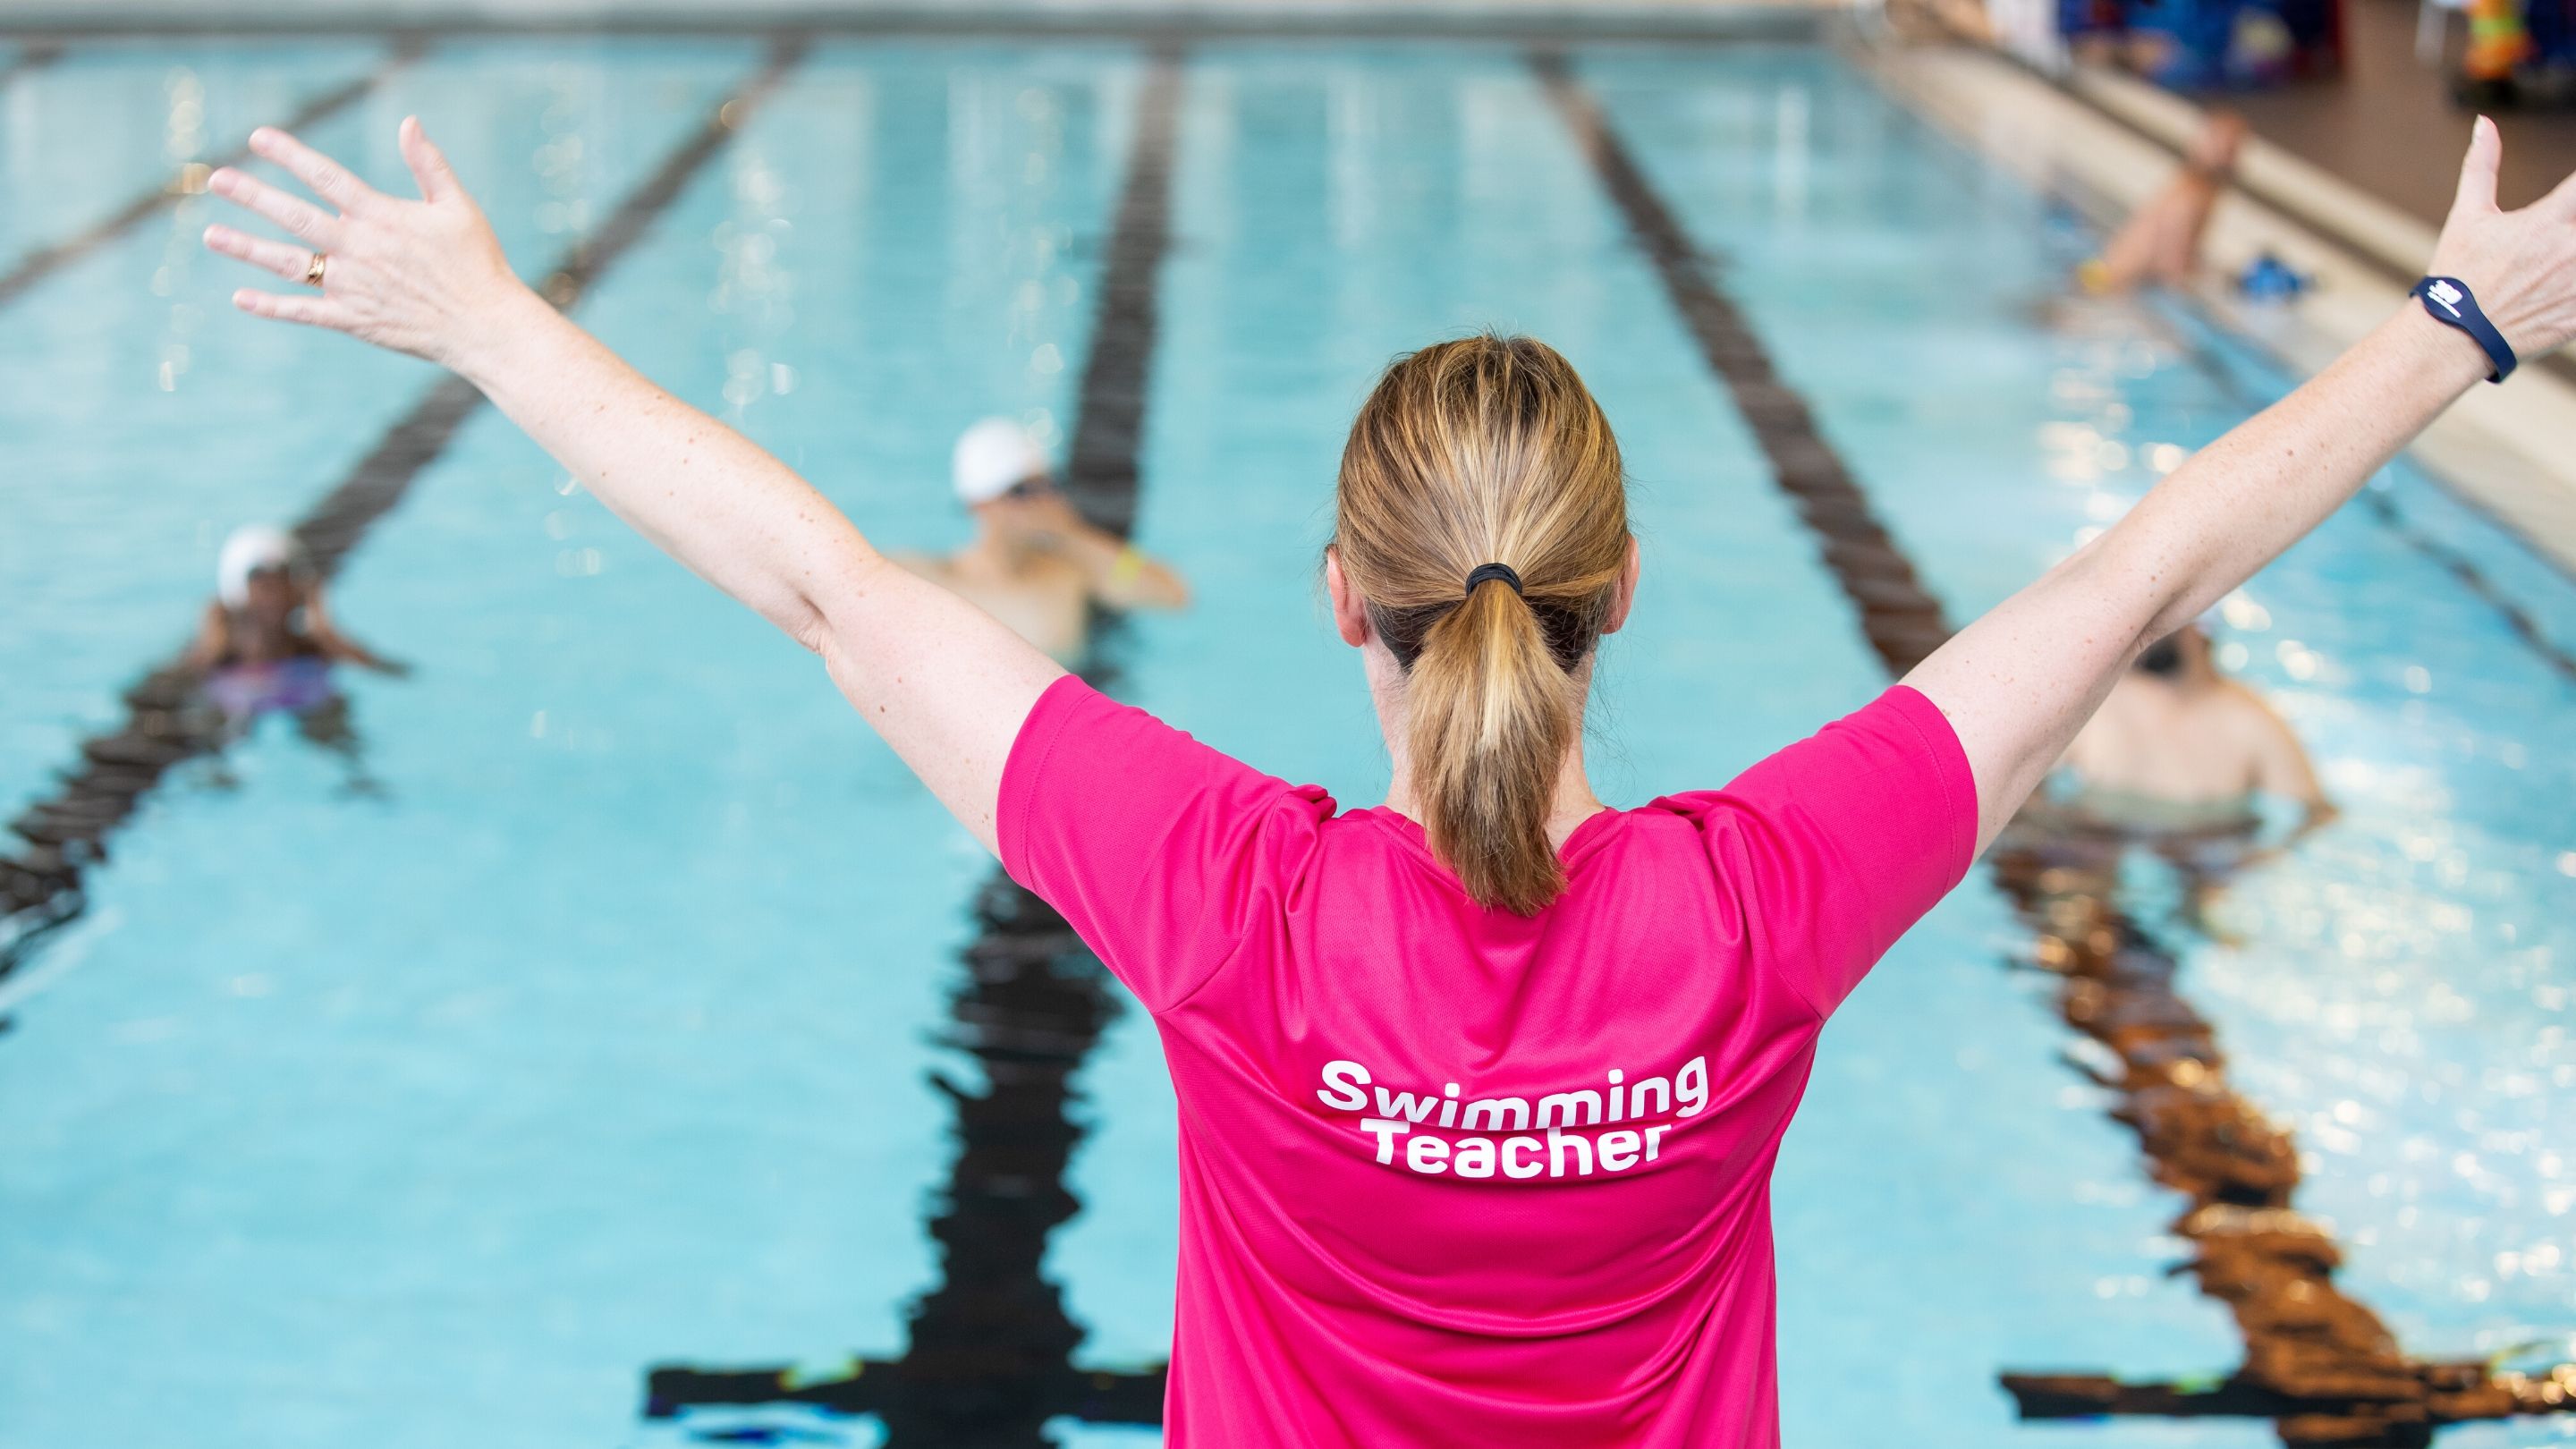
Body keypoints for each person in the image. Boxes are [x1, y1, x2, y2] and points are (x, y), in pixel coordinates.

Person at [201, 113, 2573, 1446]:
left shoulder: (1230, 897)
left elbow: (825, 584)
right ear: (1622, 592)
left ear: (1341, 594)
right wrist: (2460, 323)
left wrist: (488, 317)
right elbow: (2130, 572)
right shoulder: (1755, 903)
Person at [891, 417, 1191, 659]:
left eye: (1048, 486)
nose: (1041, 502)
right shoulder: (940, 580)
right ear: (979, 505)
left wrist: (1073, 534)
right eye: (1022, 491)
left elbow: (1172, 594)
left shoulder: (1069, 573)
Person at [2057, 618, 2334, 835]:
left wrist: (2256, 856)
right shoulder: (2099, 699)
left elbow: (2315, 814)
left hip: (2200, 849)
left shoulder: (2251, 721)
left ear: (2200, 630)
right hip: (2094, 837)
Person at [185, 523, 404, 720]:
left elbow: (389, 672)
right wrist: (211, 635)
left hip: (306, 702)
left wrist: (325, 630)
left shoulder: (312, 647)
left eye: (283, 584)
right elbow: (186, 681)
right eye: (263, 588)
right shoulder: (222, 653)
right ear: (237, 592)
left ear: (298, 590)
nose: (274, 598)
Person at [2076, 110, 2248, 295]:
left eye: (2233, 148)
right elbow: (2173, 268)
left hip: (2100, 276)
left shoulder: (2192, 184)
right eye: (2222, 147)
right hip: (2109, 287)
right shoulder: (2193, 196)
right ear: (2200, 144)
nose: (2226, 155)